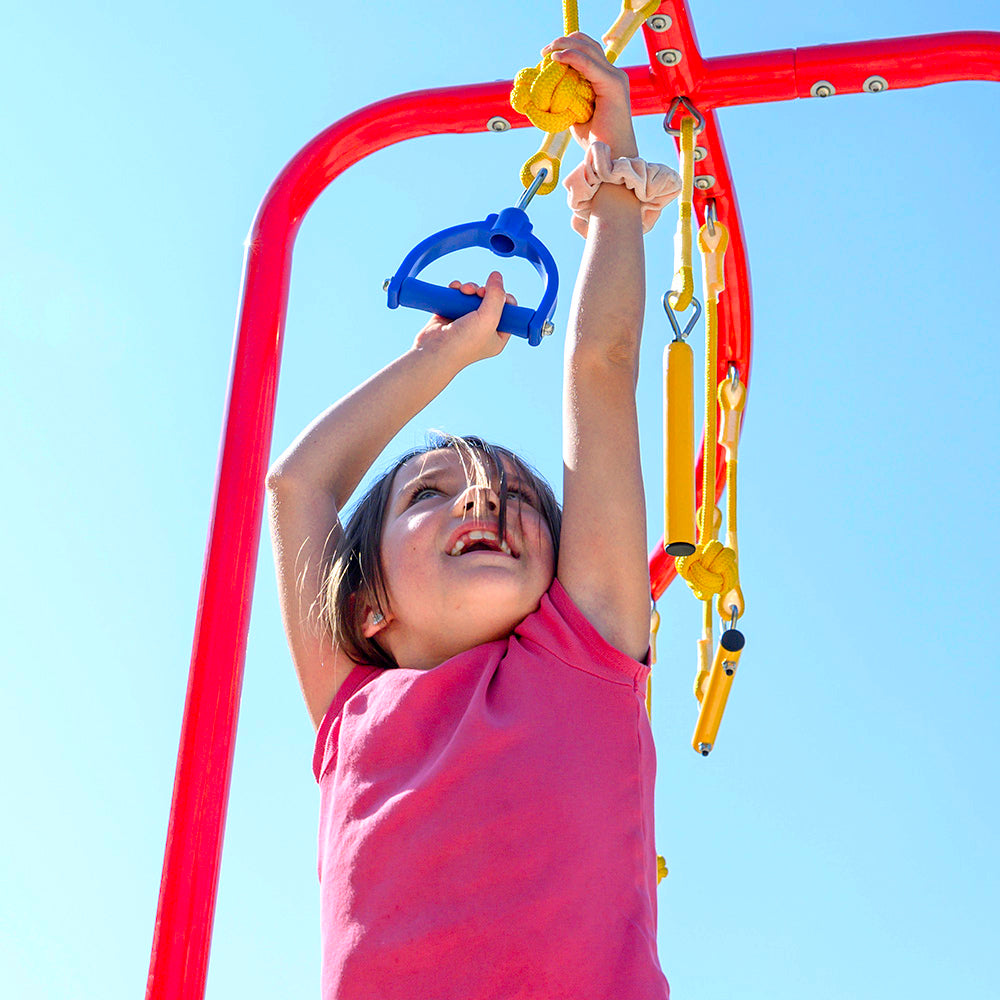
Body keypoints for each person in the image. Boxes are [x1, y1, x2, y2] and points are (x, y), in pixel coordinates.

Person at [267, 32, 675, 1000]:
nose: (484, 496)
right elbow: (300, 487)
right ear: (366, 607)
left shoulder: (587, 647)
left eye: (517, 496)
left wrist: (611, 182)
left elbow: (601, 370)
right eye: (430, 493)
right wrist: (439, 358)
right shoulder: (352, 709)